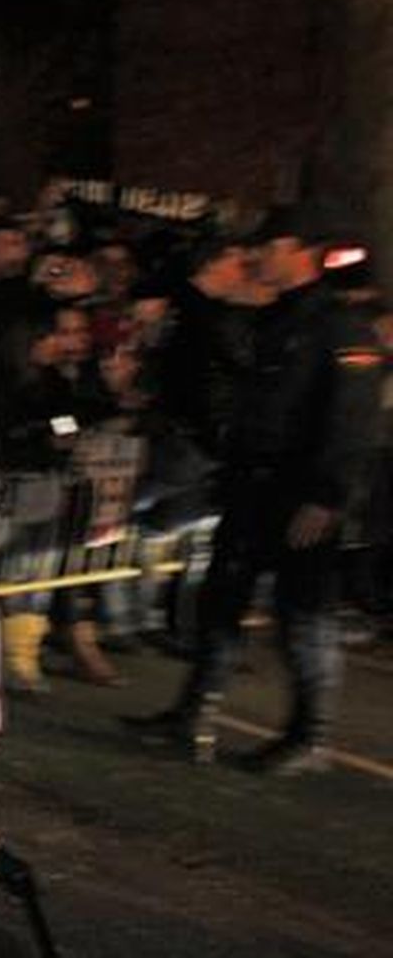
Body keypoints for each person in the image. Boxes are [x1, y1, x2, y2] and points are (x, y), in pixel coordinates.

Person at [129, 205, 382, 774]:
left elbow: (352, 422)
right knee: (224, 600)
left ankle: (310, 735)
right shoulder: (279, 320)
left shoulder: (339, 328)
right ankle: (195, 714)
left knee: (303, 614)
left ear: (294, 249)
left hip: (300, 493)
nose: (254, 258)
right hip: (252, 483)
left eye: (264, 248)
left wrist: (328, 496)